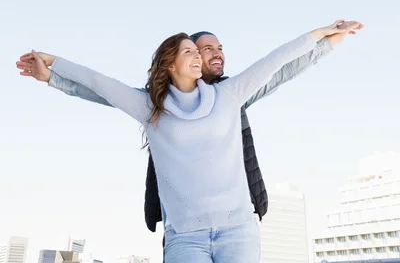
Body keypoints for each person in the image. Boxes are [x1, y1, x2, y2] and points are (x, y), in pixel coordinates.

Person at [16, 20, 363, 263]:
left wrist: (326, 37)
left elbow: (278, 64)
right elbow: (99, 85)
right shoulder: (150, 106)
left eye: (216, 49)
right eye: (198, 49)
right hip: (185, 235)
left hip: (238, 227)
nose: (209, 55)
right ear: (173, 63)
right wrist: (52, 69)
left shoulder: (231, 94)